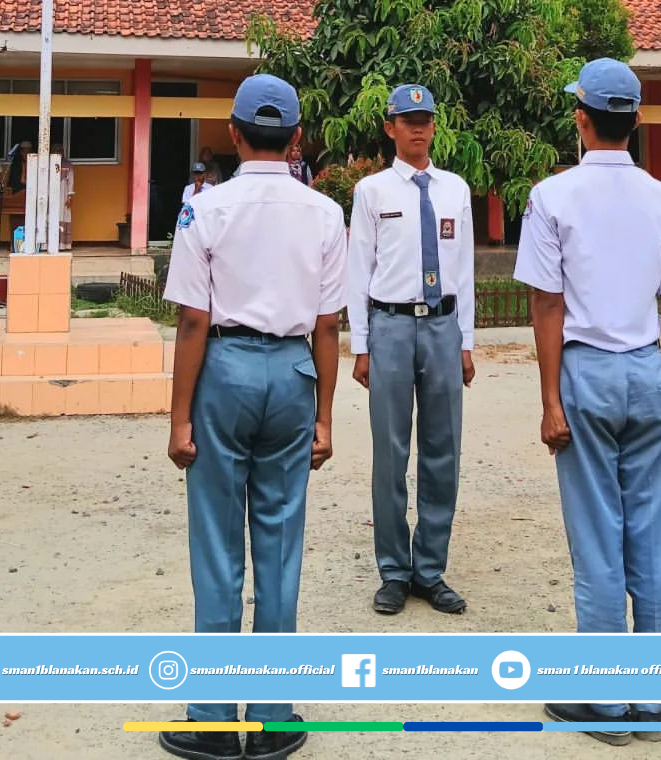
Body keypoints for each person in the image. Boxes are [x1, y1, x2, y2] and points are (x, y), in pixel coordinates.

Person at [161, 73, 346, 760]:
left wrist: (179, 418)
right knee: (278, 543)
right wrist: (326, 416)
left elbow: (191, 320)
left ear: (233, 134)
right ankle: (271, 716)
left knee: (216, 545)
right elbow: (328, 326)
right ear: (297, 138)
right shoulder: (324, 213)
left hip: (224, 369)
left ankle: (210, 716)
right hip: (294, 373)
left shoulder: (205, 209)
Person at [513, 58, 661, 746]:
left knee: (596, 539)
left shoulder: (553, 196)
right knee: (649, 535)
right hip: (648, 371)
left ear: (581, 119)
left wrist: (550, 400)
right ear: (636, 122)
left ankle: (604, 698)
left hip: (586, 373)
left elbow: (548, 305)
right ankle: (653, 699)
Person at [347, 83, 475, 616]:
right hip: (392, 327)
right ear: (390, 127)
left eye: (425, 118)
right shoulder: (372, 191)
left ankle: (430, 569)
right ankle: (394, 571)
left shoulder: (455, 189)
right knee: (391, 453)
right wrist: (361, 344)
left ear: (434, 126)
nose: (418, 127)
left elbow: (463, 268)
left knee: (443, 451)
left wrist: (466, 340)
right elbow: (359, 268)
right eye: (408, 119)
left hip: (443, 326)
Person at [54, 144, 74, 252]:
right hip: (51, 196)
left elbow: (70, 182)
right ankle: (50, 243)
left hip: (63, 195)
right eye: (56, 151)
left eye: (60, 151)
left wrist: (69, 197)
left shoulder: (68, 165)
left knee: (63, 215)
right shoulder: (48, 164)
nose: (58, 153)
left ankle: (62, 244)